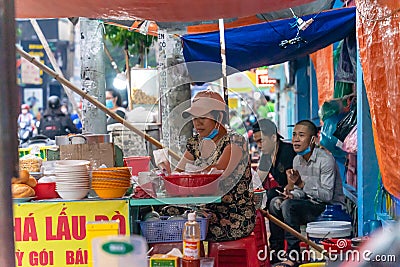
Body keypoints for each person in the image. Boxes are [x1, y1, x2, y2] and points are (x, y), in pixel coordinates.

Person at [159, 90, 256, 242]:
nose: (197, 123)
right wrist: (167, 172)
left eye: (203, 117)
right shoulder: (195, 143)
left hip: (232, 216)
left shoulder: (235, 142)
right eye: (194, 118)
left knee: (188, 229)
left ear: (219, 117)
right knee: (163, 214)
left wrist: (188, 177)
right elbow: (178, 172)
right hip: (204, 210)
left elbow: (217, 173)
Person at [267, 120, 345, 267]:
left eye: (301, 135)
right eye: (294, 135)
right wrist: (292, 194)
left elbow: (327, 196)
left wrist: (301, 184)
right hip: (309, 204)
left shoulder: (326, 160)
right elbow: (301, 193)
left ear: (313, 140)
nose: (296, 139)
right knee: (275, 202)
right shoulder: (297, 160)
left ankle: (293, 255)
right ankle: (276, 252)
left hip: (328, 208)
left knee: (289, 206)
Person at [252, 119, 296, 209]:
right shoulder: (266, 155)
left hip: (296, 193)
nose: (259, 146)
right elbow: (258, 180)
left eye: (261, 141)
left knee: (272, 197)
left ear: (273, 138)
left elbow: (291, 185)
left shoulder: (288, 151)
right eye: (257, 142)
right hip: (282, 191)